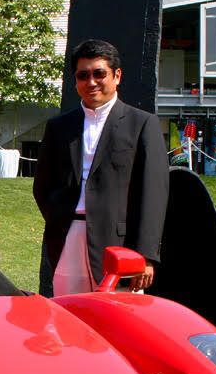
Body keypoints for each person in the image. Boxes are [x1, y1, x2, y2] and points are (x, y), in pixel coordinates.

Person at [33, 39, 169, 296]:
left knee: (118, 321)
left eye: (99, 73)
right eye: (83, 75)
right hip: (67, 238)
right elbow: (42, 185)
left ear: (116, 76)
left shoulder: (142, 124)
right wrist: (59, 216)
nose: (91, 82)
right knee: (70, 317)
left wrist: (146, 254)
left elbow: (153, 194)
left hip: (119, 244)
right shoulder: (59, 127)